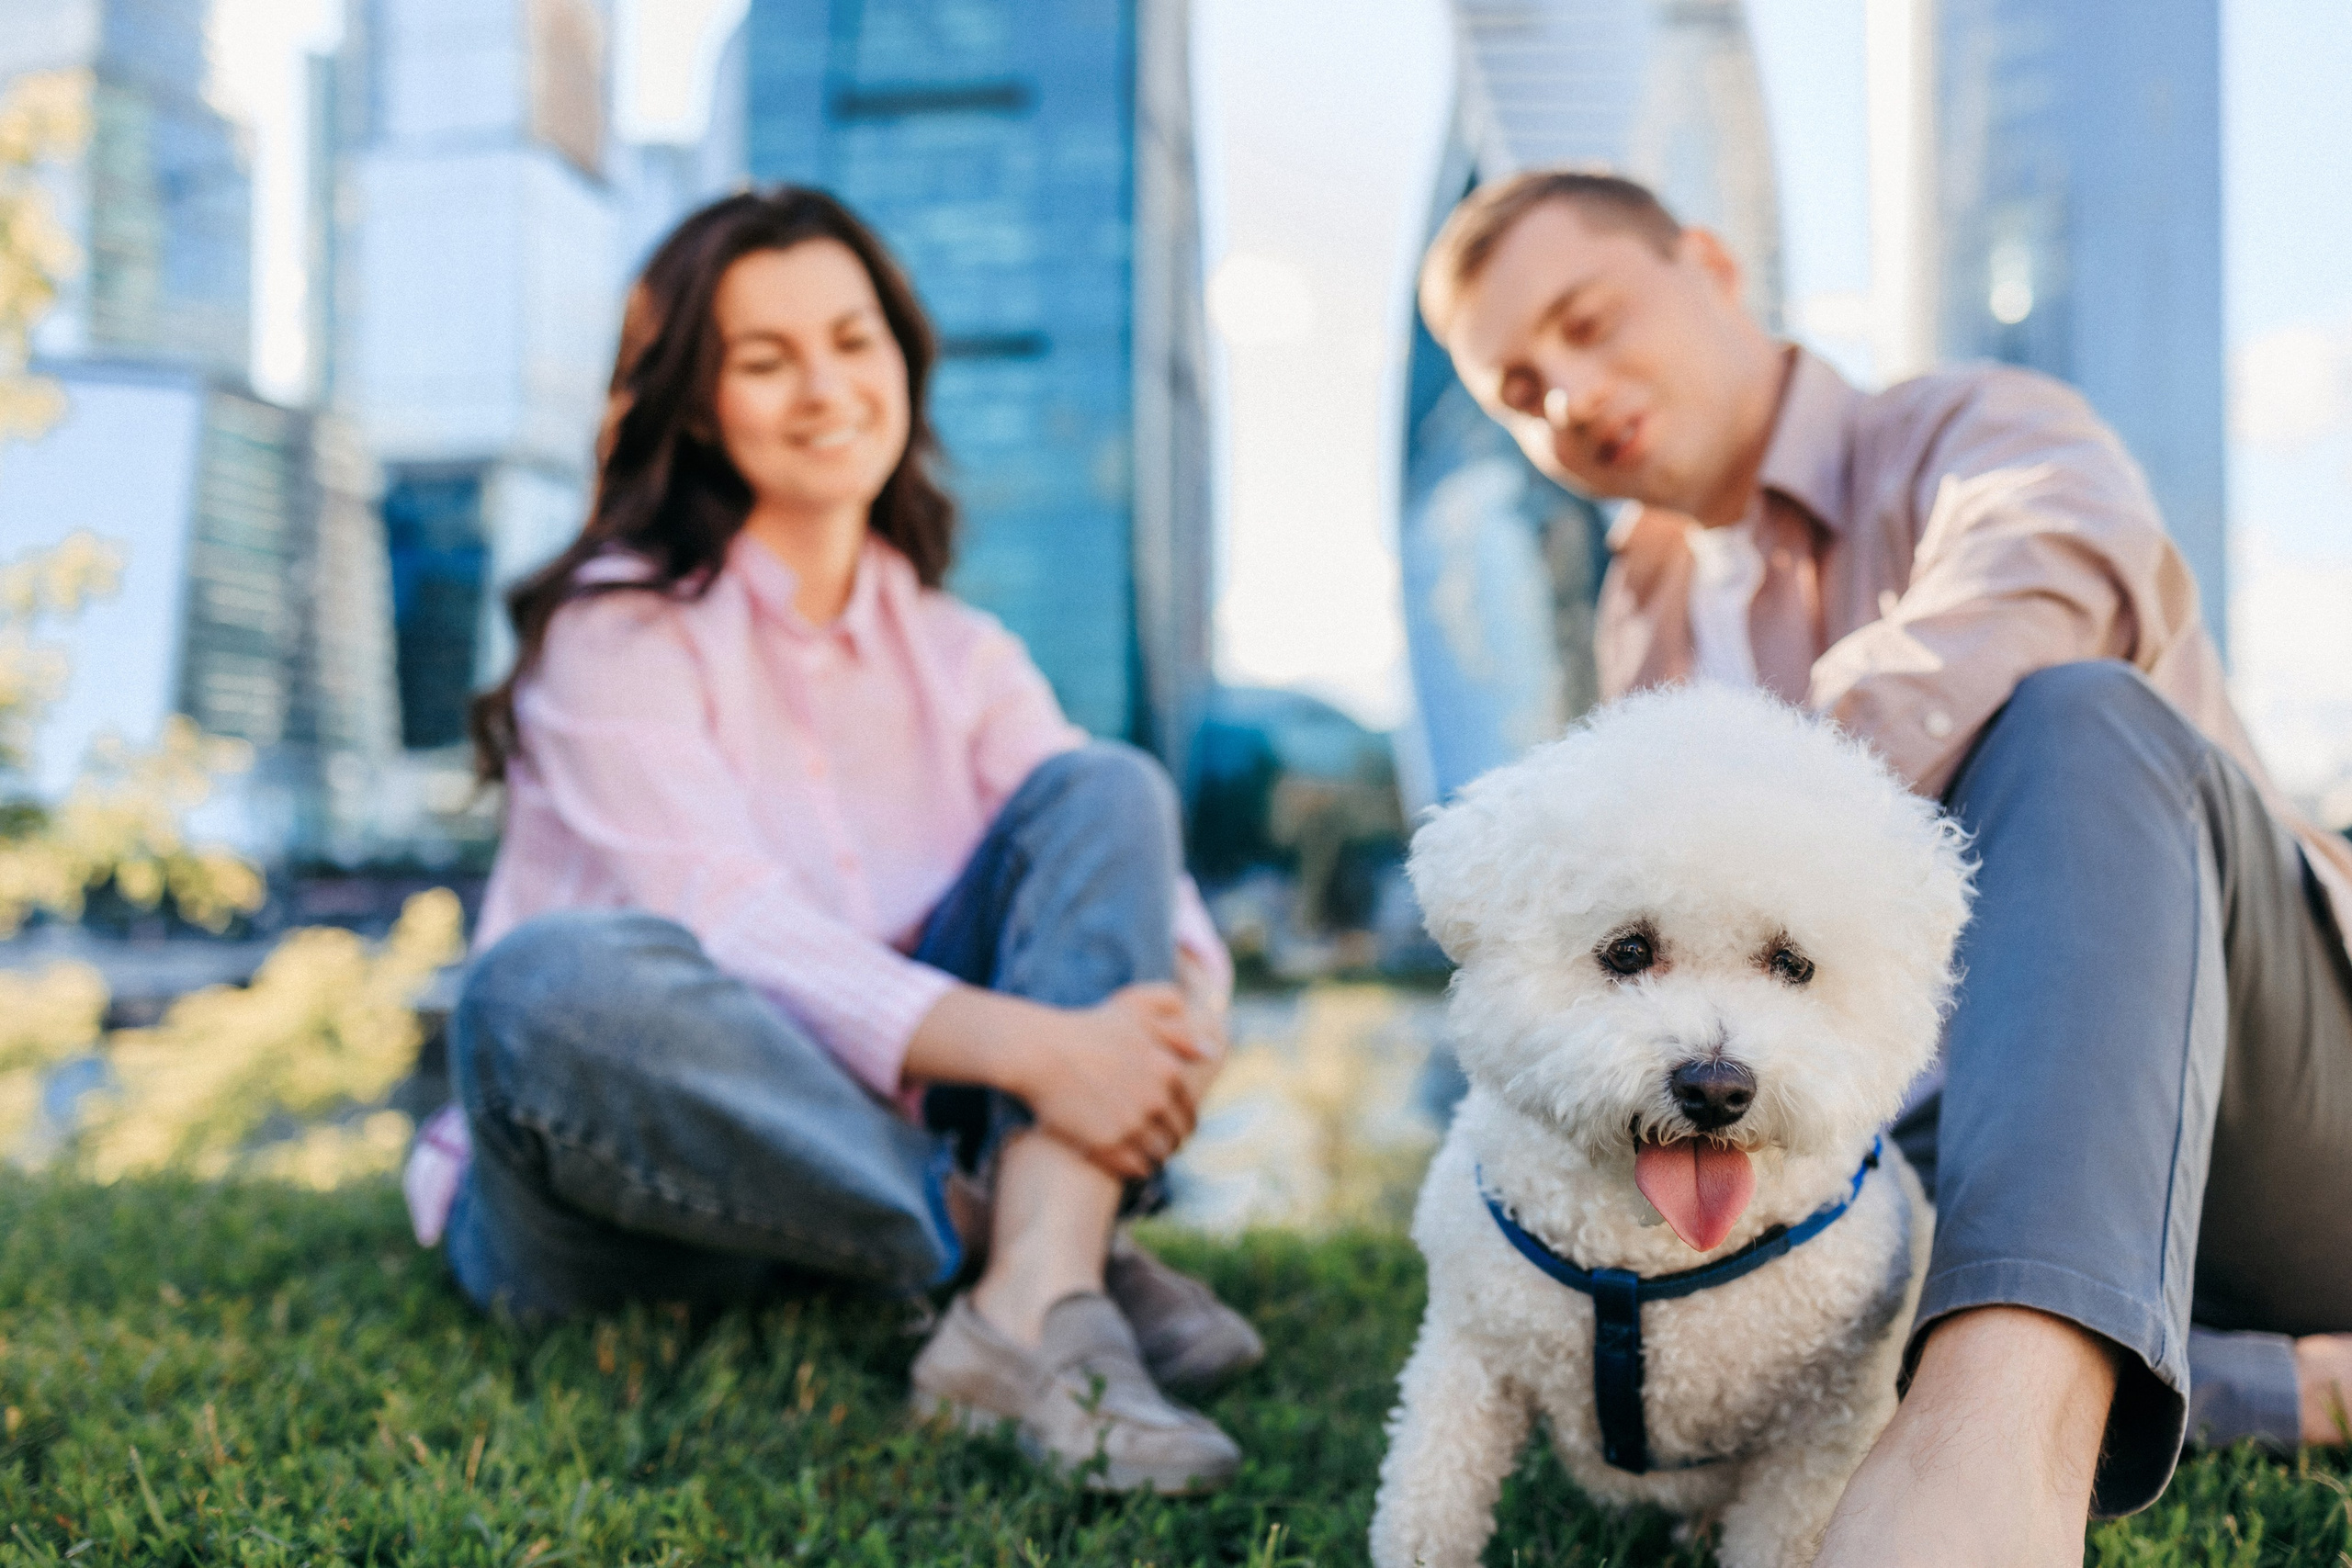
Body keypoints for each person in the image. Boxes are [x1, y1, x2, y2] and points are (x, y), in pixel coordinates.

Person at [1415, 168, 2352, 1562]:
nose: (1569, 390)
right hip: (1956, 1153)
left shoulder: (1976, 426)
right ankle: (2284, 1385)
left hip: (2272, 1115)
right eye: (1520, 389)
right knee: (1824, 1267)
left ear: (1714, 267)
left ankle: (1994, 1459)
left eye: (1590, 320)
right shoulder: (1644, 610)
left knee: (2081, 711)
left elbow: (2058, 563)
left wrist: (1785, 797)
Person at [400, 187, 1259, 1495]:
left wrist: (1174, 1026)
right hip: (618, 1193)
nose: (824, 388)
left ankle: (1026, 1300)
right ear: (694, 402)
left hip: (857, 1184)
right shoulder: (615, 631)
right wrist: (1047, 1056)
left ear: (902, 363)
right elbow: (725, 923)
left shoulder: (962, 654)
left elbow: (1158, 913)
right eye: (765, 359)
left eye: (853, 342)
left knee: (1108, 789)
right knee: (543, 986)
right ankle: (1039, 1248)